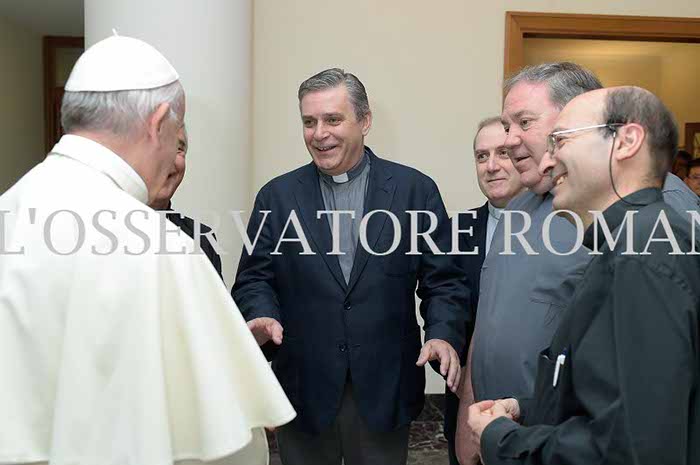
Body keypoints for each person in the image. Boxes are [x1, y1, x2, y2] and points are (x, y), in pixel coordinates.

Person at [0, 34, 294, 465]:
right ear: (158, 124)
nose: (175, 157)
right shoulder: (163, 250)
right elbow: (224, 446)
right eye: (177, 135)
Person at [455, 62, 700, 465]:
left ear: (625, 142)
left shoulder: (648, 244)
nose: (548, 161)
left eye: (562, 139)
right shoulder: (606, 231)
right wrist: (524, 410)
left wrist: (504, 441)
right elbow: (600, 387)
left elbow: (636, 441)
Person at [232, 68, 469, 465]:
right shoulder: (277, 197)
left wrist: (443, 333)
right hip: (303, 389)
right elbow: (255, 278)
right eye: (309, 122)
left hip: (385, 389)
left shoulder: (414, 191)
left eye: (332, 119)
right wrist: (262, 313)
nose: (319, 133)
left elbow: (443, 281)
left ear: (365, 121)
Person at [444, 117, 523, 465]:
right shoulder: (456, 231)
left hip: (533, 406)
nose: (491, 166)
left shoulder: (564, 226)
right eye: (481, 156)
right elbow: (445, 303)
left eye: (503, 153)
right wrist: (455, 366)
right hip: (465, 400)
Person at [149, 126, 223, 278]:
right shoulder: (105, 230)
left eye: (178, 149)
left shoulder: (201, 239)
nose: (169, 159)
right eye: (159, 146)